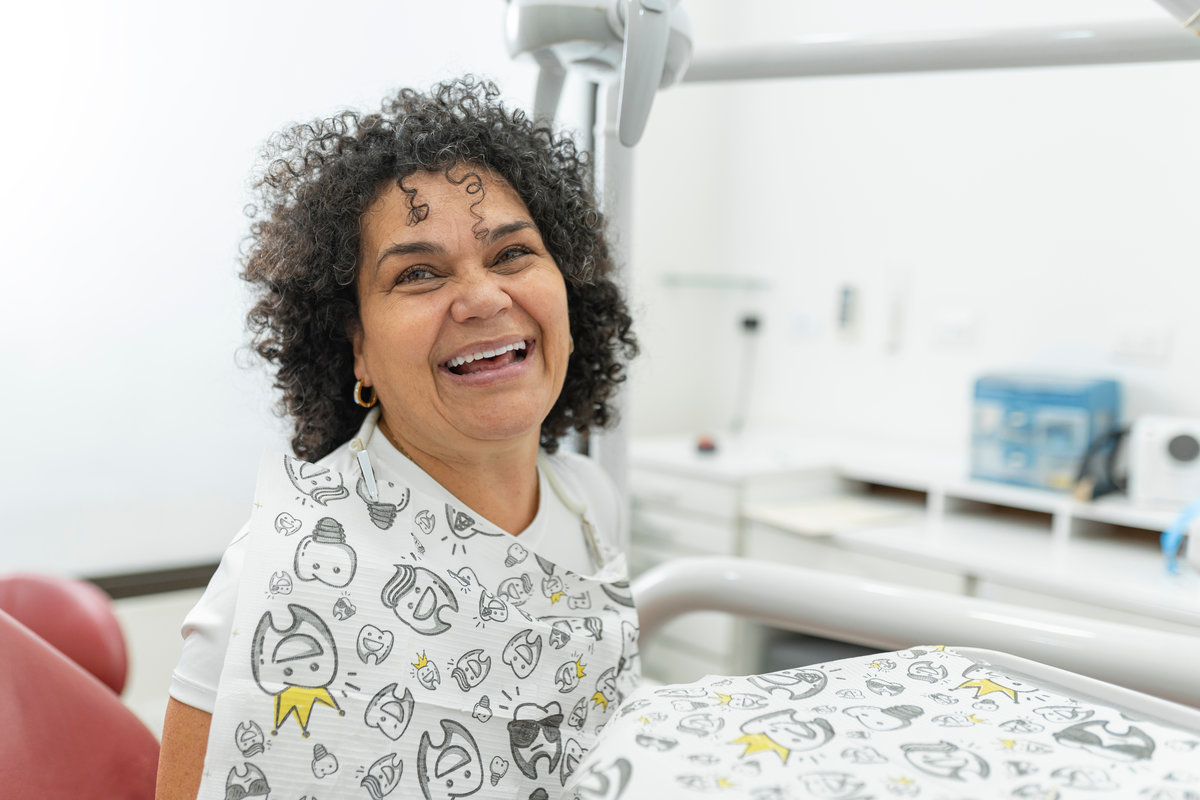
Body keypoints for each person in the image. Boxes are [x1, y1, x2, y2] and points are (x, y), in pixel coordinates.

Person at [155, 77, 639, 800]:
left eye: (512, 255)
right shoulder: (275, 580)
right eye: (418, 273)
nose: (482, 297)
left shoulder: (589, 503)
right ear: (356, 349)